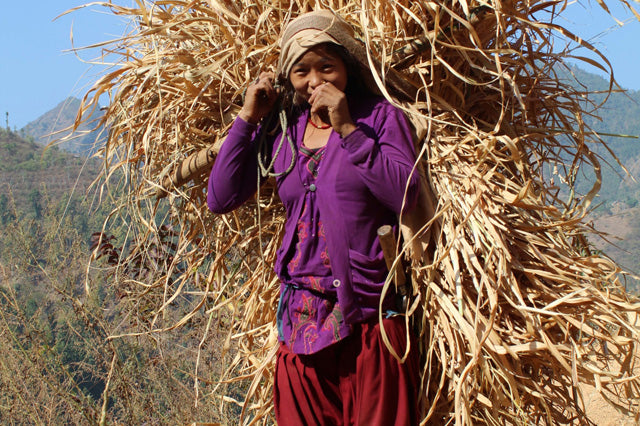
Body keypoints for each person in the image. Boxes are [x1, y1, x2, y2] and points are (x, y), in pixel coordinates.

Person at [207, 10, 421, 425]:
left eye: (327, 66)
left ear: (347, 68)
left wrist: (347, 129)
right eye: (301, 71)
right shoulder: (283, 131)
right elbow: (221, 196)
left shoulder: (378, 119)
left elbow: (405, 193)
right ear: (289, 80)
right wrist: (248, 118)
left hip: (369, 319)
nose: (315, 80)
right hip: (301, 324)